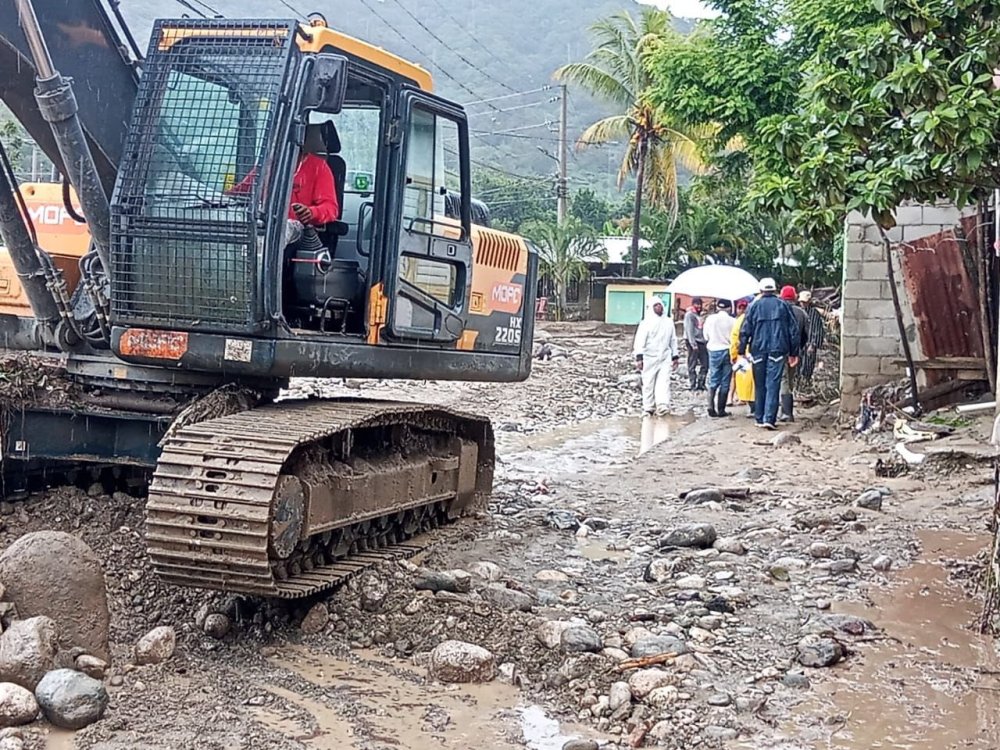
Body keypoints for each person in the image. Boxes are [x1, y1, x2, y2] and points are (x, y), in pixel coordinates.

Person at [738, 278, 800, 430]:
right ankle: (769, 419)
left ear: (761, 290)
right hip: (778, 351)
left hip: (758, 350)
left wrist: (741, 351)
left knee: (759, 385)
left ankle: (759, 417)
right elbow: (794, 331)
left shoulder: (754, 306)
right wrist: (793, 352)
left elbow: (745, 330)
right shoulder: (783, 305)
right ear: (774, 289)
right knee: (773, 385)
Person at [633, 297, 680, 416]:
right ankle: (648, 406)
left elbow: (673, 340)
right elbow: (639, 341)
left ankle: (662, 405)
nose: (659, 307)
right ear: (651, 308)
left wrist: (675, 356)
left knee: (664, 381)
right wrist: (639, 358)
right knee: (648, 382)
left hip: (665, 356)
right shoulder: (646, 323)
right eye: (656, 305)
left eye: (660, 305)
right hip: (649, 357)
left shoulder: (668, 322)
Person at [778, 285, 809, 422]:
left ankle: (786, 412)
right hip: (796, 352)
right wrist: (799, 349)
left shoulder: (778, 311)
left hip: (780, 351)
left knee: (782, 380)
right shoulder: (801, 313)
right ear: (795, 297)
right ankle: (786, 409)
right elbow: (806, 335)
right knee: (789, 379)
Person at [703, 299, 736, 417]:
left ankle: (710, 406)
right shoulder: (733, 321)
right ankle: (721, 409)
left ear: (717, 307)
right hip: (728, 350)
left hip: (713, 350)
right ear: (729, 308)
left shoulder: (710, 319)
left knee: (713, 377)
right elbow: (736, 337)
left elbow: (705, 336)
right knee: (725, 381)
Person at [729, 299, 754, 416]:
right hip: (757, 352)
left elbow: (735, 339)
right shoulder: (757, 317)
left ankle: (751, 406)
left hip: (743, 355)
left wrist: (733, 355)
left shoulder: (739, 321)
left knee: (744, 380)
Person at [798, 290, 826, 385]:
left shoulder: (814, 313)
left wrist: (813, 344)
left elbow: (817, 330)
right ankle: (798, 383)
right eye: (801, 302)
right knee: (798, 364)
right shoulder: (799, 311)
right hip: (799, 343)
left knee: (808, 365)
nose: (803, 304)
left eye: (804, 302)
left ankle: (805, 382)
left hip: (809, 343)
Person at [683, 297, 708, 391]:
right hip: (693, 341)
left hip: (702, 341)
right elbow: (689, 330)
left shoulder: (700, 315)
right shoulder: (689, 315)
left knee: (705, 364)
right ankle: (692, 384)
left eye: (700, 304)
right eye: (696, 304)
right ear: (693, 304)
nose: (698, 306)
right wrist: (692, 343)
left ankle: (701, 383)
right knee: (692, 364)